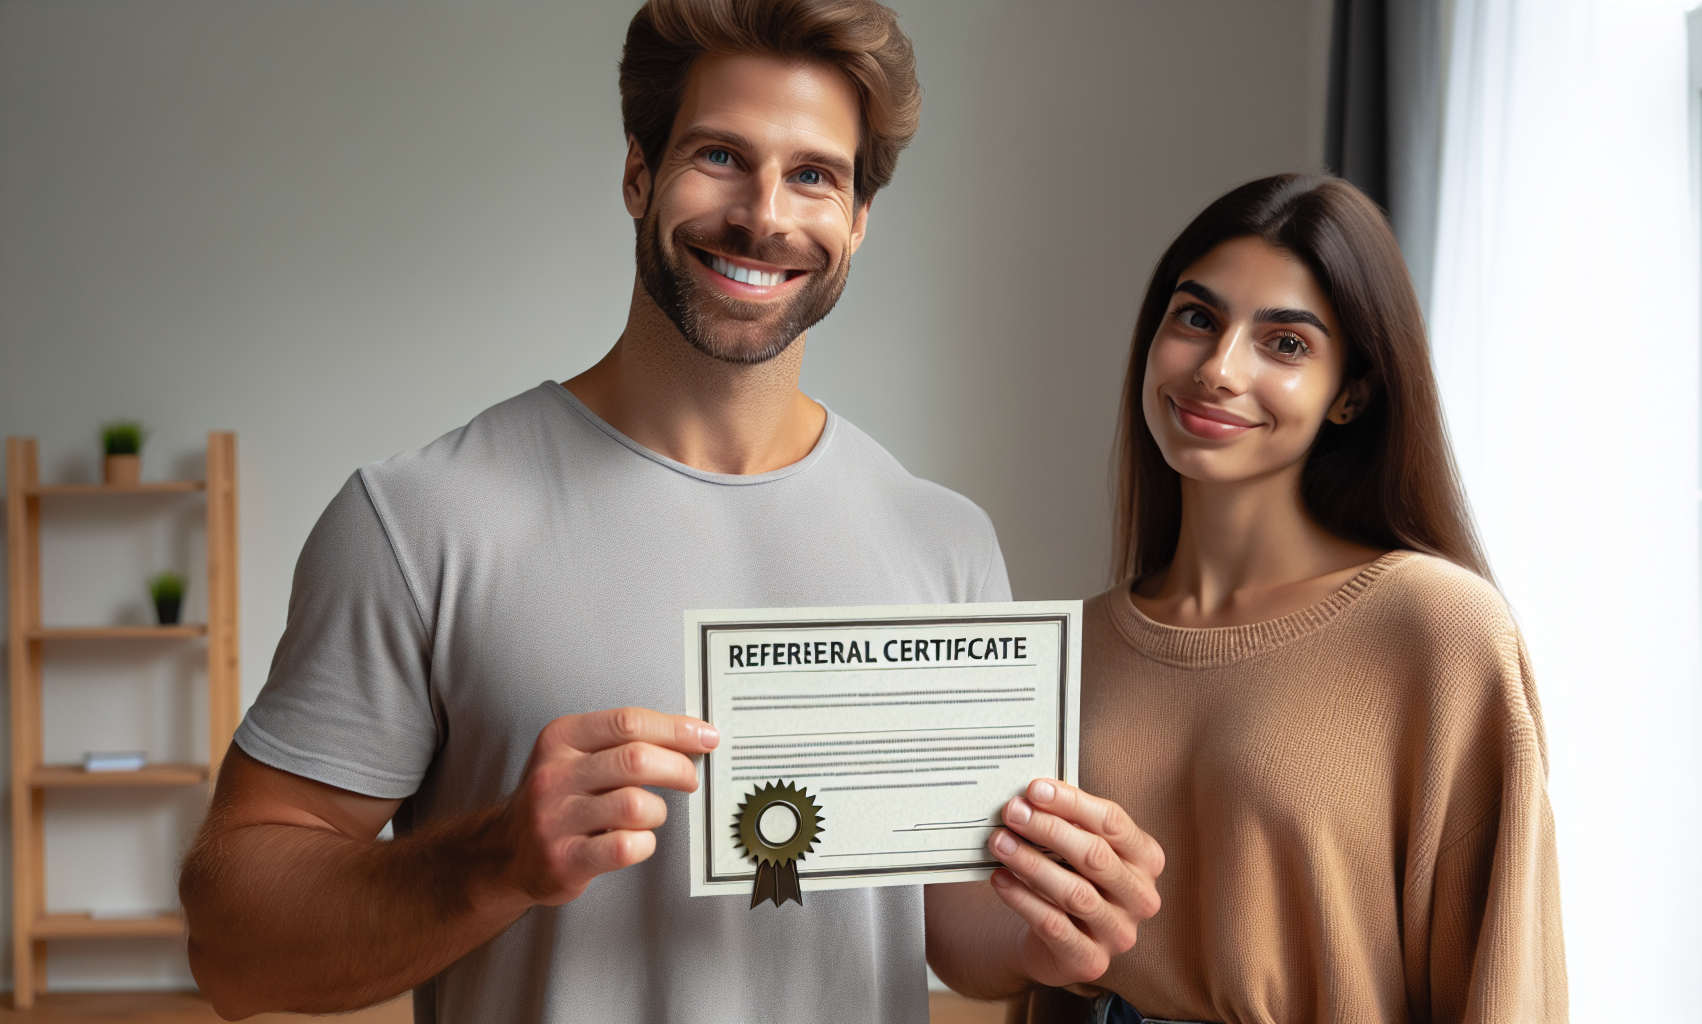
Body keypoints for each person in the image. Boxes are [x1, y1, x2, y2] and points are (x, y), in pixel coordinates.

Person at [179, 2, 1156, 1021]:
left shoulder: (945, 544)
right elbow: (234, 948)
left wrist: (1056, 922)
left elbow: (956, 935)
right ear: (638, 173)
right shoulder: (419, 521)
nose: (765, 215)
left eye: (814, 174)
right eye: (721, 156)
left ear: (859, 218)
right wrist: (496, 855)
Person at [926, 174, 1569, 1023]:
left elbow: (1505, 979)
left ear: (1353, 393)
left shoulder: (1438, 629)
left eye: (1287, 344)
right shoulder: (1065, 648)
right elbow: (991, 950)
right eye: (1197, 318)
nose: (1220, 370)